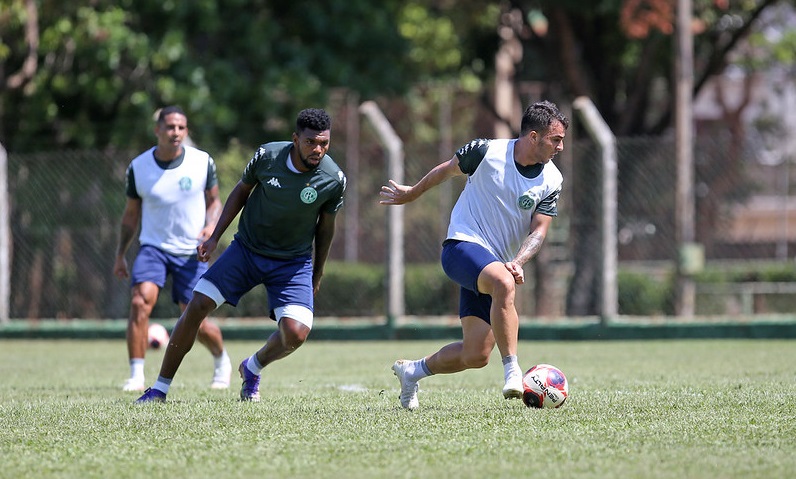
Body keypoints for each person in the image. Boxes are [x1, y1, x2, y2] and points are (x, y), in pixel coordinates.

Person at [136, 108, 346, 403]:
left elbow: (326, 228)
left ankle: (253, 366)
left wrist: (318, 272)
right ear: (295, 139)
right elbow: (240, 192)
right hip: (246, 251)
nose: (318, 150)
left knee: (296, 333)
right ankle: (159, 388)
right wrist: (214, 237)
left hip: (292, 263)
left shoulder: (333, 178)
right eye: (311, 142)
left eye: (324, 143)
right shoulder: (268, 156)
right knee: (196, 305)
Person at [380, 100, 569, 410]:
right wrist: (411, 193)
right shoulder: (486, 152)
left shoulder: (552, 179)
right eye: (556, 139)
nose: (561, 147)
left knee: (476, 355)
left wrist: (518, 261)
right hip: (461, 247)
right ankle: (513, 372)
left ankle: (412, 371)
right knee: (504, 284)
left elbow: (539, 231)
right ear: (534, 137)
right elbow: (445, 171)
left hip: (495, 264)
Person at [114, 105, 232, 392]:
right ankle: (136, 374)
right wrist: (120, 254)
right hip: (153, 248)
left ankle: (221, 360)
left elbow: (215, 202)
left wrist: (211, 227)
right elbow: (131, 215)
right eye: (169, 127)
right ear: (158, 130)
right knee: (140, 301)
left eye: (181, 127)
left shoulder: (202, 162)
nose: (175, 132)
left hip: (190, 251)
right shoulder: (138, 167)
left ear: (186, 130)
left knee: (197, 320)